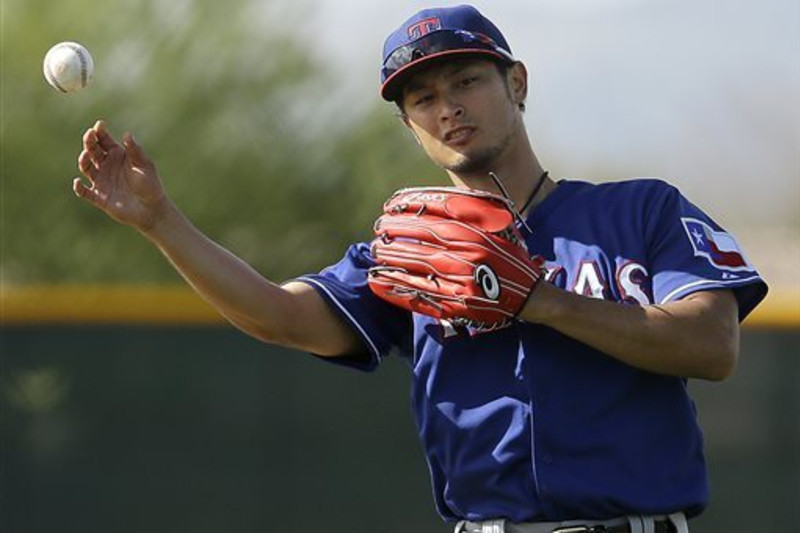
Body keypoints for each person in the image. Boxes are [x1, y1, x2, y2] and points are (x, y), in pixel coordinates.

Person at [73, 5, 767, 533]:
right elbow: (282, 317)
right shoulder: (407, 252)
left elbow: (711, 345)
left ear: (516, 82)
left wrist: (542, 300)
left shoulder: (639, 212)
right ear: (409, 124)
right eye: (423, 99)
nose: (448, 107)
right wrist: (162, 222)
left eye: (466, 80)